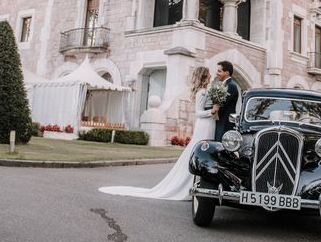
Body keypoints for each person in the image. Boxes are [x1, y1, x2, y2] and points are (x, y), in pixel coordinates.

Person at [99, 66, 215, 201]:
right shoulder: (201, 92)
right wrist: (211, 111)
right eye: (208, 75)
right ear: (203, 77)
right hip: (204, 125)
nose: (211, 77)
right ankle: (186, 185)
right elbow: (199, 113)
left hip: (208, 124)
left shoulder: (205, 91)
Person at [213, 60, 239, 142]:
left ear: (227, 73)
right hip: (221, 121)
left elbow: (223, 104)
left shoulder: (231, 86)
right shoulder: (226, 84)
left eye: (219, 71)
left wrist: (210, 109)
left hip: (225, 122)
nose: (217, 73)